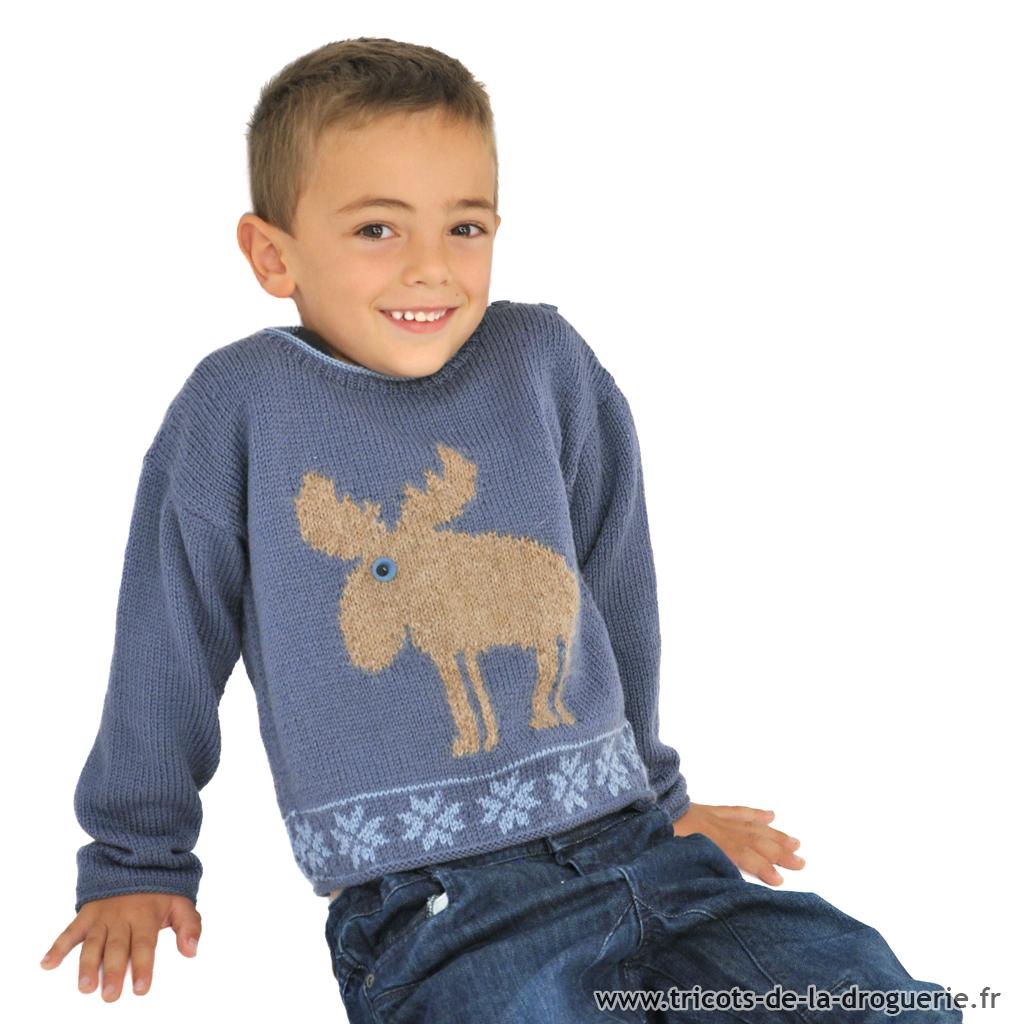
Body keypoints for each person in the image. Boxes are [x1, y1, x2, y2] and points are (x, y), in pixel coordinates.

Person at [39, 37, 961, 1022]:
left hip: (642, 850)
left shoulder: (543, 362)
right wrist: (137, 860)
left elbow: (611, 585)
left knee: (882, 1000)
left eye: (465, 226)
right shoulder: (237, 407)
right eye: (377, 229)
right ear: (274, 254)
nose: (432, 267)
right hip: (439, 910)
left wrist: (655, 790)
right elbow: (168, 638)